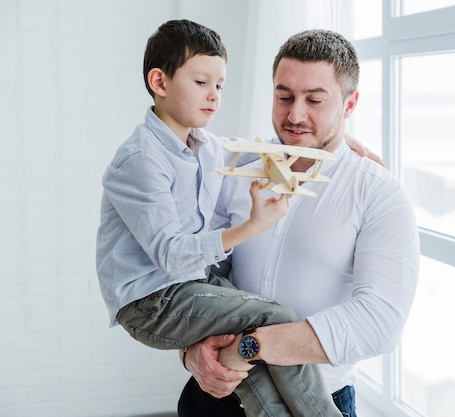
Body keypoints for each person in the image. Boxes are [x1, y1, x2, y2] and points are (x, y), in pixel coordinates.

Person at [96, 19, 345, 417]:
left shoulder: (205, 145)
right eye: (200, 83)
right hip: (151, 301)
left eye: (219, 85)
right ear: (159, 82)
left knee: (253, 359)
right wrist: (250, 227)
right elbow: (171, 256)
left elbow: (265, 150)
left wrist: (345, 140)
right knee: (277, 317)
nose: (214, 96)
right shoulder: (140, 160)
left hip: (187, 286)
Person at [179, 29, 420, 417]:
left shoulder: (379, 193)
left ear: (350, 103)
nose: (295, 115)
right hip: (213, 393)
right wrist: (190, 353)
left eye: (315, 100)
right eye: (284, 96)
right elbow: (197, 274)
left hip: (311, 404)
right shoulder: (236, 167)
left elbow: (379, 322)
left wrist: (250, 348)